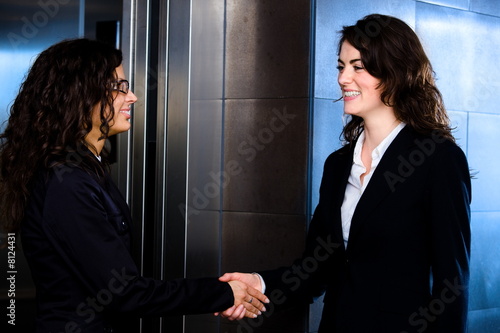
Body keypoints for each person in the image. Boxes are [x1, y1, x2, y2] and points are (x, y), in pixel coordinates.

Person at [218, 14, 471, 332]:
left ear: (394, 73)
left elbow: (452, 285)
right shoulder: (338, 164)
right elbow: (316, 270)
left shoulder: (439, 160)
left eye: (358, 66)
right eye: (341, 66)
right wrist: (257, 283)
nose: (342, 78)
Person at [0, 38, 268, 332]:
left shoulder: (87, 170)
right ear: (79, 94)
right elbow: (124, 293)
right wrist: (225, 293)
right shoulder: (67, 183)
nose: (133, 97)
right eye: (119, 87)